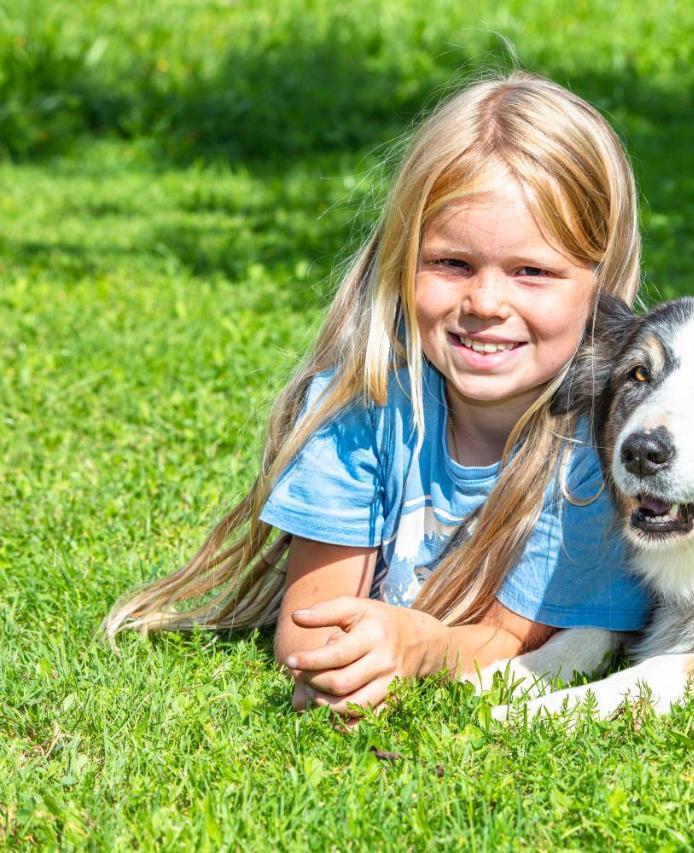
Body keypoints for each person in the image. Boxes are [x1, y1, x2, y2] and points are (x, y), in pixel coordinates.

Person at [104, 71, 649, 718]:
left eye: (532, 272)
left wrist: (419, 647)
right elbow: (308, 631)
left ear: (601, 280)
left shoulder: (603, 449)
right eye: (451, 264)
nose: (485, 303)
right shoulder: (362, 404)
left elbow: (514, 636)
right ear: (402, 256)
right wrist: (346, 659)